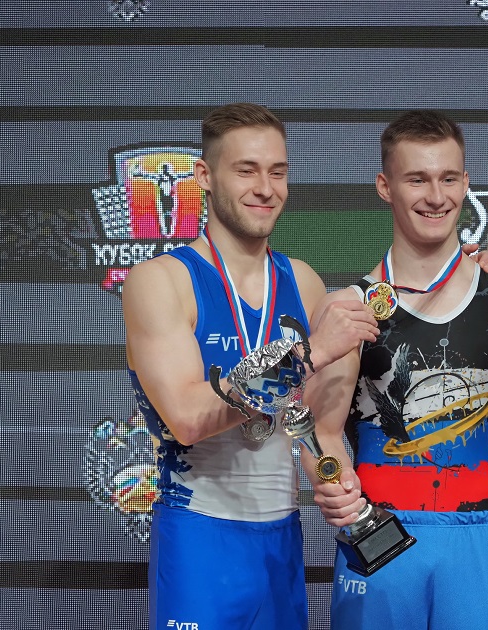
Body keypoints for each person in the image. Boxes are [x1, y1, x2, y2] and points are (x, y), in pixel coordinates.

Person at [300, 110, 488, 630]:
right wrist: (341, 497)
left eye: (448, 178)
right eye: (417, 179)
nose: (436, 196)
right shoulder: (349, 308)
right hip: (379, 536)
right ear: (385, 187)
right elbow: (322, 432)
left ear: (466, 183)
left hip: (475, 539)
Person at [122, 103, 384, 630]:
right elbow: (188, 418)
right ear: (204, 176)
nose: (265, 188)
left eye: (277, 172)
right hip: (200, 538)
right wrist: (309, 352)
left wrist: (338, 487)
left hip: (281, 542)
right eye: (246, 170)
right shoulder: (161, 280)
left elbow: (316, 427)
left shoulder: (302, 281)